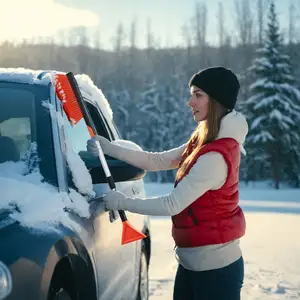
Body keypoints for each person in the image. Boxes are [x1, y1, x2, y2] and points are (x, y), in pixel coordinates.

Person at [87, 66, 248, 300]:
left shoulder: (215, 156)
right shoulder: (203, 140)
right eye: (192, 94)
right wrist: (109, 148)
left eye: (198, 95)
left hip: (216, 271)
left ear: (217, 100)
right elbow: (157, 160)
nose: (190, 102)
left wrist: (121, 202)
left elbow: (172, 204)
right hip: (191, 264)